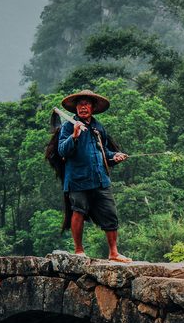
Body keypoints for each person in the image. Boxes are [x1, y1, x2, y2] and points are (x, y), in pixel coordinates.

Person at [54, 89, 130, 261]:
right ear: (75, 108)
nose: (83, 107)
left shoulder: (98, 127)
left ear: (93, 107)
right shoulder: (68, 126)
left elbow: (103, 151)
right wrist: (74, 135)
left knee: (110, 213)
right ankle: (79, 250)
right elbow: (62, 150)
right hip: (78, 179)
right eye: (80, 104)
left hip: (100, 178)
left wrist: (114, 156)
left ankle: (114, 253)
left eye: (87, 104)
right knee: (78, 211)